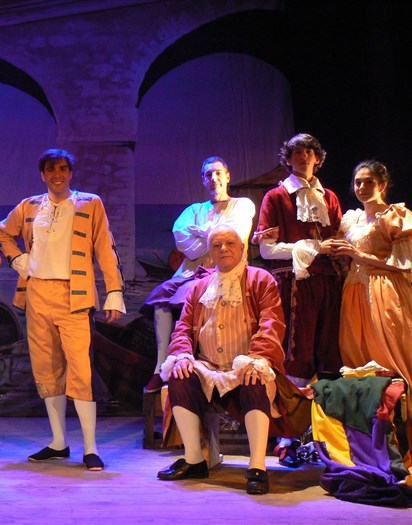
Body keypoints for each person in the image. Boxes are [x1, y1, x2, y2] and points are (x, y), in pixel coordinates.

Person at [0, 148, 125, 471]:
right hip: (37, 293)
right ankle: (58, 442)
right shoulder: (29, 205)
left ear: (70, 173)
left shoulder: (90, 203)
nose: (57, 175)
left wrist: (114, 292)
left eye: (63, 169)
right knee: (46, 368)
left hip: (74, 295)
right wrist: (18, 259)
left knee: (80, 368)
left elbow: (105, 249)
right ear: (43, 174)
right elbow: (2, 233)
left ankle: (90, 448)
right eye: (51, 169)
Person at [156, 225, 309, 495]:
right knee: (180, 376)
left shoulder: (260, 279)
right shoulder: (198, 287)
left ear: (241, 248)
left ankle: (257, 467)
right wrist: (182, 356)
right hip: (208, 368)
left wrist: (257, 358)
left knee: (255, 378)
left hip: (245, 366)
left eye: (229, 244)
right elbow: (183, 328)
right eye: (217, 245)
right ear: (210, 253)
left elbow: (272, 322)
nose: (223, 249)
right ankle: (194, 460)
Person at [252, 133, 343, 465]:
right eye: (297, 152)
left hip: (329, 282)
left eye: (309, 152)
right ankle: (287, 439)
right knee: (297, 354)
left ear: (318, 158)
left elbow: (338, 240)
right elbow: (266, 250)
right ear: (288, 159)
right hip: (294, 282)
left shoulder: (329, 197)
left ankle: (329, 437)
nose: (304, 157)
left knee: (330, 355)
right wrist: (314, 248)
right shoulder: (276, 197)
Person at [320, 160, 412, 461]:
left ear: (382, 185)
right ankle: (370, 446)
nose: (361, 187)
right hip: (354, 291)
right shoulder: (351, 219)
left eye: (369, 181)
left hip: (384, 292)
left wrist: (357, 254)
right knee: (357, 362)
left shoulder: (396, 215)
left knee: (390, 361)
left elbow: (404, 264)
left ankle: (403, 441)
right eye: (358, 182)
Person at [141, 157, 255, 393]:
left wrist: (201, 232)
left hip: (226, 272)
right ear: (202, 180)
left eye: (218, 173)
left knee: (193, 301)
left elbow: (233, 237)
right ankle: (161, 367)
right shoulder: (193, 210)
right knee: (161, 300)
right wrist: (212, 236)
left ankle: (207, 366)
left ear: (227, 176)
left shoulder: (242, 205)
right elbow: (186, 247)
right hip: (191, 272)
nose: (213, 178)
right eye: (208, 175)